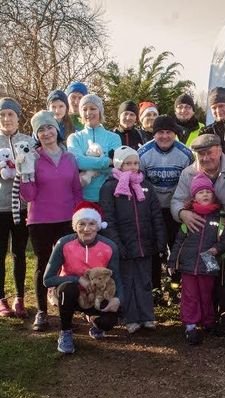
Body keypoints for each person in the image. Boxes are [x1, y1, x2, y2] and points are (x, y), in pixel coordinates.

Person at [170, 133, 225, 336]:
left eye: (209, 153)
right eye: (200, 154)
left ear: (219, 150)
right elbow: (177, 200)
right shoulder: (188, 173)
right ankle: (205, 317)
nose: (205, 158)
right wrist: (182, 213)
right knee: (204, 276)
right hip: (199, 238)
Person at [20, 111, 82, 331]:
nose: (46, 133)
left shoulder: (69, 158)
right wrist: (25, 173)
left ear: (57, 129)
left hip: (67, 219)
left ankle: (69, 309)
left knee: (69, 264)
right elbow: (28, 196)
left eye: (49, 128)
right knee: (43, 264)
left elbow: (76, 190)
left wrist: (78, 216)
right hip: (40, 220)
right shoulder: (33, 157)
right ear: (37, 135)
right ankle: (42, 312)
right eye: (41, 130)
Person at [99, 146, 167, 334]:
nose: (133, 167)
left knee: (145, 281)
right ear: (119, 164)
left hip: (144, 243)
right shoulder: (110, 187)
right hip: (124, 244)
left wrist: (160, 239)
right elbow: (108, 219)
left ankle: (147, 316)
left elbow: (156, 215)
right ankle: (131, 318)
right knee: (127, 282)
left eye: (136, 163)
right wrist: (116, 244)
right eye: (128, 163)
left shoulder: (146, 185)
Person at [43, 201, 124, 354]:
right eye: (82, 224)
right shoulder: (64, 243)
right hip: (69, 294)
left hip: (96, 295)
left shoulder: (109, 246)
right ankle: (65, 332)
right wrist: (77, 279)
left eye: (92, 224)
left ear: (98, 226)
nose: (87, 229)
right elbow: (47, 279)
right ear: (75, 226)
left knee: (108, 322)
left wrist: (118, 299)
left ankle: (93, 319)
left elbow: (117, 277)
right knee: (68, 289)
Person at [168, 173, 225, 345]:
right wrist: (172, 262)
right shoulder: (188, 217)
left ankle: (208, 322)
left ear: (213, 194)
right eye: (200, 192)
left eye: (207, 191)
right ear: (194, 196)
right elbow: (178, 242)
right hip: (188, 265)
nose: (204, 194)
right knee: (190, 296)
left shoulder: (219, 217)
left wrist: (217, 249)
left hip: (209, 263)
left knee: (207, 294)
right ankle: (190, 325)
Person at [138, 115, 193, 300]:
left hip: (176, 207)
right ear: (154, 134)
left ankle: (175, 285)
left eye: (169, 132)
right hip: (152, 208)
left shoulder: (185, 153)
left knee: (177, 245)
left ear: (175, 133)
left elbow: (192, 182)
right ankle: (154, 288)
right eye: (160, 132)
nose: (164, 136)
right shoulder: (143, 154)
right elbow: (139, 182)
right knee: (153, 247)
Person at [0, 97, 32, 318]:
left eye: (10, 114)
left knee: (19, 253)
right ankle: (2, 298)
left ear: (18, 117)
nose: (6, 118)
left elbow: (34, 169)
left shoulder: (27, 140)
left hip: (22, 206)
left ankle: (20, 297)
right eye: (2, 115)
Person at [67, 94, 121, 202]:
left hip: (109, 198)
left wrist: (88, 164)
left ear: (100, 111)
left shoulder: (114, 138)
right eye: (84, 109)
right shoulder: (74, 138)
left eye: (93, 108)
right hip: (81, 198)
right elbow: (78, 162)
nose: (88, 113)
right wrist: (107, 161)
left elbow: (116, 166)